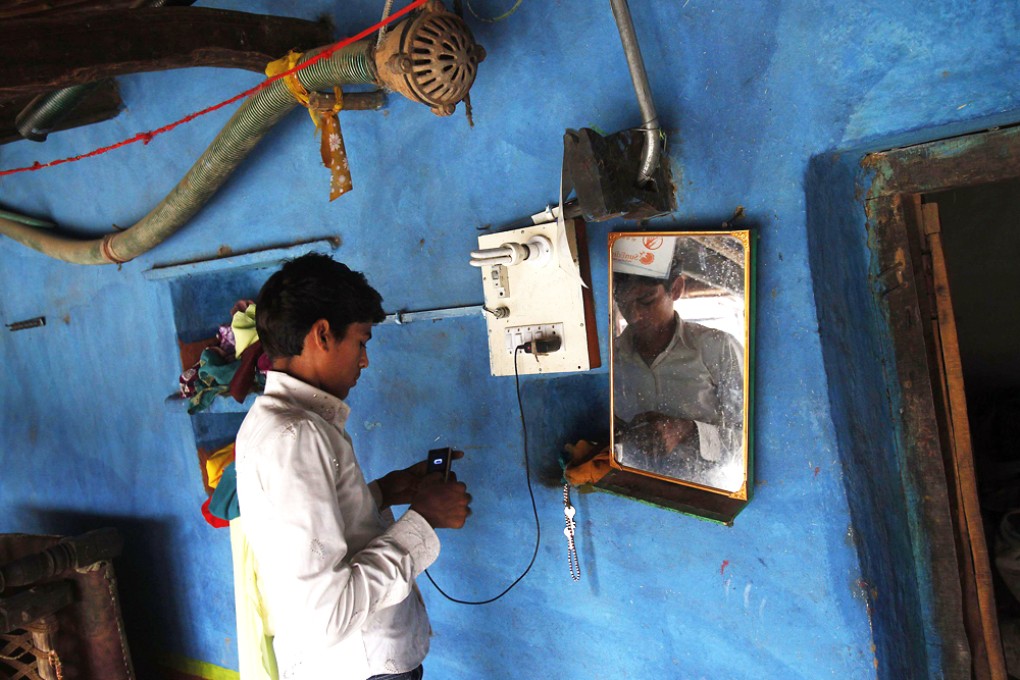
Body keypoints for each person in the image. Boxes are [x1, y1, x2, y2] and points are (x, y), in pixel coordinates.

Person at [235, 253, 471, 680]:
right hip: (359, 667)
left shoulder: (274, 421)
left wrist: (384, 491)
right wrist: (425, 519)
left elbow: (317, 532)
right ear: (322, 334)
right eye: (361, 342)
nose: (364, 361)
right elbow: (329, 614)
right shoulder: (297, 436)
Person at [612, 251, 744, 491]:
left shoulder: (718, 347)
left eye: (646, 300)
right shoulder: (612, 359)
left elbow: (752, 440)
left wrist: (688, 430)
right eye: (623, 303)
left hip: (707, 494)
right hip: (634, 492)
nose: (634, 315)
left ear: (676, 288)